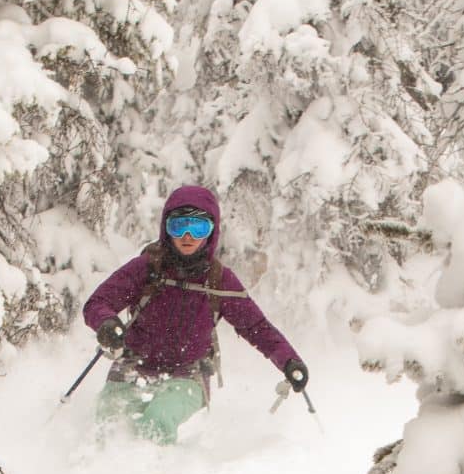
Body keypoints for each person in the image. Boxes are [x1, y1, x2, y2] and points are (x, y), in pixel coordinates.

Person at [82, 184, 307, 444]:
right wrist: (107, 323)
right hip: (132, 366)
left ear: (211, 232)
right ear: (166, 228)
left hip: (188, 374)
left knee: (157, 420)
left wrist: (289, 361)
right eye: (178, 226)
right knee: (109, 423)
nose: (187, 236)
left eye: (198, 228)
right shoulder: (147, 268)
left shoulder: (218, 280)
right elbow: (97, 303)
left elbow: (255, 326)